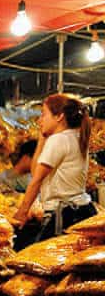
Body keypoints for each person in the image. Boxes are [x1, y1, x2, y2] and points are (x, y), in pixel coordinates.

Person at [13, 93, 96, 248]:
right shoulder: (73, 136)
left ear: (59, 117)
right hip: (79, 209)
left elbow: (36, 180)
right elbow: (36, 170)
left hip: (65, 214)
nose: (40, 120)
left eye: (44, 115)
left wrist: (22, 212)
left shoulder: (59, 140)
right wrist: (42, 137)